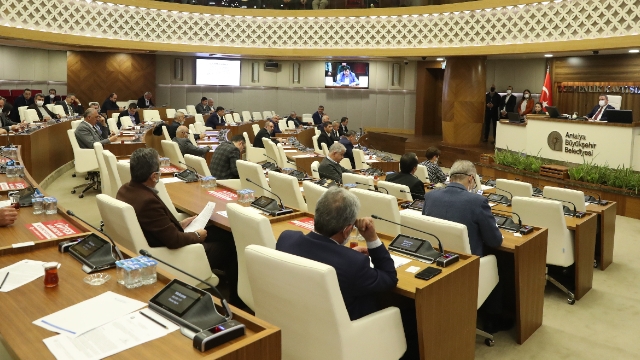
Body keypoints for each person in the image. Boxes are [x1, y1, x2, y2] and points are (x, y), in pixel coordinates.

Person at [117, 148, 240, 304]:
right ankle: (236, 301)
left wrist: (181, 223)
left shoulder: (125, 190)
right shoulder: (147, 201)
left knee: (224, 233)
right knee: (230, 244)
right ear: (154, 176)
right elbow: (174, 241)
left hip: (156, 241)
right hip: (171, 255)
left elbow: (156, 225)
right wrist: (197, 235)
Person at [276, 186, 397, 320]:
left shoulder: (286, 239)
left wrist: (345, 255)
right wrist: (372, 238)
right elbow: (390, 279)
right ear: (347, 231)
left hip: (294, 318)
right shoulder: (354, 264)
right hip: (352, 331)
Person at [422, 160, 507, 334]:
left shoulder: (431, 196)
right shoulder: (478, 202)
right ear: (470, 179)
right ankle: (492, 318)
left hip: (436, 260)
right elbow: (495, 241)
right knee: (501, 262)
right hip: (466, 266)